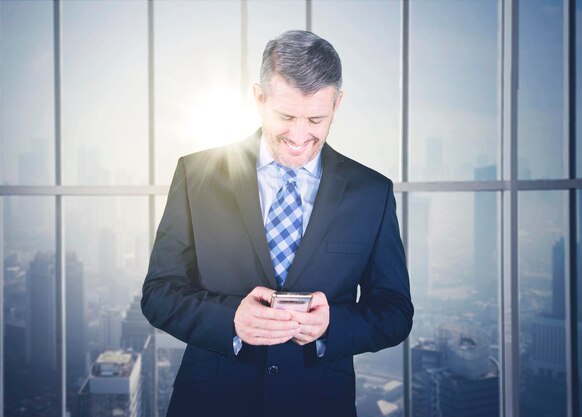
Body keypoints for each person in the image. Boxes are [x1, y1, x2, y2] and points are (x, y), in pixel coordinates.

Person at [141, 30, 413, 417]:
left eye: (316, 118)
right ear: (259, 98)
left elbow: (395, 311)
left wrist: (332, 325)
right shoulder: (196, 174)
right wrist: (231, 319)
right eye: (286, 116)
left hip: (320, 405)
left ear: (338, 103)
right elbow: (158, 293)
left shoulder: (372, 192)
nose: (300, 136)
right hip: (210, 404)